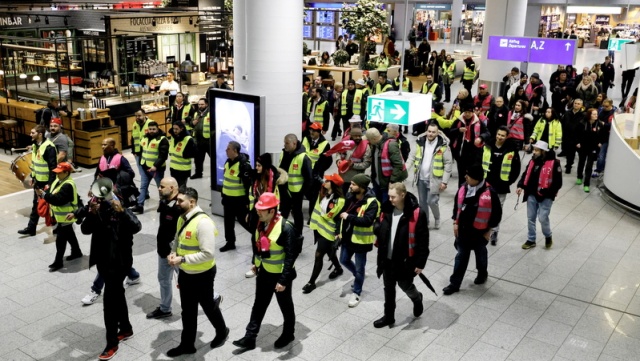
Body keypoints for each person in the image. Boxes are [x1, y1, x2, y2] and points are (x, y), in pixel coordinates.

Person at [81, 180, 142, 361]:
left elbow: (137, 226)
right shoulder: (98, 209)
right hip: (104, 262)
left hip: (120, 263)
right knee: (118, 294)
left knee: (109, 302)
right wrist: (92, 214)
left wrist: (121, 211)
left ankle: (111, 343)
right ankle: (126, 328)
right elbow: (85, 229)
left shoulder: (122, 209)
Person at [233, 192, 301, 351]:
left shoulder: (286, 228)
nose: (258, 211)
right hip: (264, 272)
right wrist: (256, 264)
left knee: (285, 305)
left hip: (280, 277)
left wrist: (283, 280)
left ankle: (289, 333)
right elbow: (257, 247)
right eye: (258, 208)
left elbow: (291, 257)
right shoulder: (260, 223)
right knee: (259, 304)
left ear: (272, 210)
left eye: (262, 209)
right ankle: (250, 337)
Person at [167, 187, 229, 357]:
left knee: (208, 306)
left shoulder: (203, 223)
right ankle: (187, 344)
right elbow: (177, 240)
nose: (177, 203)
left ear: (192, 202)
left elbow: (208, 253)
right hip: (186, 273)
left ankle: (222, 331)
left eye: (180, 201)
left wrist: (183, 259)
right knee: (187, 310)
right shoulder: (182, 218)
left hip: (203, 274)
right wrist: (174, 252)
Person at [374, 182, 429, 327]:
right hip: (387, 258)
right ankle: (389, 316)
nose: (390, 199)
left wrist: (420, 263)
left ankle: (417, 298)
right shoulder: (386, 209)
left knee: (405, 285)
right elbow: (381, 226)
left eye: (393, 197)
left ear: (403, 195)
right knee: (389, 288)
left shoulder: (416, 213)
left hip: (405, 261)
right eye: (389, 196)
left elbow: (423, 241)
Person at [443, 164, 502, 295]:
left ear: (476, 179)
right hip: (463, 231)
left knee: (480, 255)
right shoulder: (464, 188)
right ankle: (454, 284)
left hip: (480, 233)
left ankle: (482, 273)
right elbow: (456, 207)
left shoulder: (490, 192)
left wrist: (489, 230)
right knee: (461, 257)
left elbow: (496, 214)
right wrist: (455, 222)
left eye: (468, 176)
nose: (465, 177)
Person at [339, 174, 380, 307]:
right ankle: (358, 275)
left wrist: (349, 217)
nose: (350, 186)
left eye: (353, 184)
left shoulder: (372, 202)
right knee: (343, 260)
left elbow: (367, 221)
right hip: (348, 238)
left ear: (362, 187)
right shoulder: (350, 196)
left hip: (361, 241)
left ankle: (356, 292)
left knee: (360, 267)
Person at [245, 153, 286, 278]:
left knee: (266, 238)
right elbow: (252, 196)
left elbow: (280, 200)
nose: (256, 168)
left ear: (265, 166)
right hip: (257, 211)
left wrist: (275, 216)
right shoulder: (256, 178)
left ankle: (264, 264)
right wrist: (250, 211)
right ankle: (256, 265)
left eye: (259, 165)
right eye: (256, 165)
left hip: (270, 214)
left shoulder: (276, 181)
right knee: (255, 238)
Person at [303, 173, 346, 293]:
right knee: (330, 252)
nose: (324, 182)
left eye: (327, 180)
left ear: (333, 184)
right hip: (318, 228)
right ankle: (338, 268)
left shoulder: (340, 201)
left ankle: (311, 282)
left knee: (318, 255)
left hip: (328, 232)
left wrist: (338, 233)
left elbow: (330, 216)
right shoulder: (322, 194)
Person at [517, 141, 563, 250]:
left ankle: (548, 236)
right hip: (531, 193)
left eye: (537, 150)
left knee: (543, 218)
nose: (534, 152)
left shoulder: (554, 163)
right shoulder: (532, 161)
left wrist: (546, 191)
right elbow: (526, 174)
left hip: (546, 196)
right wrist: (520, 186)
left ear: (543, 151)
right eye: (534, 149)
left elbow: (558, 183)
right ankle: (531, 239)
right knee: (530, 218)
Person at [146, 177, 181, 319]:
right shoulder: (165, 202)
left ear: (172, 188)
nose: (159, 188)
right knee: (163, 279)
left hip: (176, 252)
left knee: (190, 280)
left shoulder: (180, 206)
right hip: (163, 249)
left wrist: (174, 250)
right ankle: (165, 308)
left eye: (162, 186)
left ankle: (212, 297)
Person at [37, 162, 81, 272]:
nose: (57, 174)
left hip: (67, 216)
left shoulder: (68, 185)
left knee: (60, 239)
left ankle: (58, 261)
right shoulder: (59, 180)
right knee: (69, 233)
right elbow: (52, 192)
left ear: (66, 172)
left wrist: (44, 195)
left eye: (60, 172)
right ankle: (76, 252)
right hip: (60, 216)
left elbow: (58, 200)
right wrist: (45, 191)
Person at [483, 126, 521, 245]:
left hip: (501, 185)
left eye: (502, 135)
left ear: (507, 136)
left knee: (497, 209)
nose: (499, 137)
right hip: (486, 183)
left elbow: (516, 167)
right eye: (498, 134)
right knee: (485, 207)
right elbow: (479, 161)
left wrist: (509, 181)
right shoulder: (487, 145)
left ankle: (494, 231)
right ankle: (484, 228)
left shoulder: (511, 149)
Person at [18, 125, 57, 236]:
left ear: (40, 134)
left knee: (52, 205)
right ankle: (31, 228)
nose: (30, 135)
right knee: (36, 204)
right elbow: (35, 164)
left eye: (32, 133)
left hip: (47, 183)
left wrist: (50, 184)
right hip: (38, 182)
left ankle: (57, 227)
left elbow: (53, 168)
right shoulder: (36, 146)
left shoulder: (49, 147)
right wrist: (33, 177)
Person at [414, 122, 452, 229]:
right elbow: (412, 156)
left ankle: (437, 217)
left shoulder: (443, 145)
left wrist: (444, 181)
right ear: (426, 131)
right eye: (429, 131)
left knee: (432, 201)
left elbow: (448, 164)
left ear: (437, 132)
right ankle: (425, 221)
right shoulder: (420, 142)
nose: (430, 134)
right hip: (420, 178)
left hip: (434, 179)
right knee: (422, 202)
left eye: (433, 132)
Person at [219, 141, 252, 252]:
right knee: (228, 222)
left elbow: (248, 185)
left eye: (228, 149)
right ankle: (230, 242)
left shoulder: (244, 165)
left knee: (244, 221)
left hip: (239, 200)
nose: (226, 150)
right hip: (228, 199)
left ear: (235, 151)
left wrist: (248, 201)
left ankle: (259, 235)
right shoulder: (228, 162)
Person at [278, 134, 312, 237]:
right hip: (284, 191)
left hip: (296, 193)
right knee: (282, 214)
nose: (285, 145)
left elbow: (309, 178)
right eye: (284, 143)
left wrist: (302, 192)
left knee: (297, 215)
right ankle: (280, 234)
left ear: (294, 143)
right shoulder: (283, 154)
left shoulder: (303, 157)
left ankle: (298, 236)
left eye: (287, 143)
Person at [448, 103, 490, 186]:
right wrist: (458, 130)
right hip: (461, 153)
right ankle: (461, 192)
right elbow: (450, 132)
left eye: (469, 112)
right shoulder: (459, 121)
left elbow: (487, 133)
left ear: (473, 112)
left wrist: (480, 138)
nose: (467, 114)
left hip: (474, 153)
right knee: (462, 175)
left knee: (472, 175)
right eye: (465, 112)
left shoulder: (478, 122)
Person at [132, 121, 169, 214]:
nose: (151, 131)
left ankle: (163, 204)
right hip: (145, 167)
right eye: (150, 129)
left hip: (157, 169)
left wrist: (155, 166)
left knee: (160, 188)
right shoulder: (144, 137)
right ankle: (140, 205)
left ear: (157, 128)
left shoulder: (162, 139)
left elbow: (163, 156)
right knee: (143, 186)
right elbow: (142, 150)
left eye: (153, 129)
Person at [365, 127, 408, 203]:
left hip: (387, 183)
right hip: (377, 182)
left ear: (374, 139)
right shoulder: (375, 145)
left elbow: (398, 165)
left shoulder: (391, 145)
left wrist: (392, 181)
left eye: (369, 139)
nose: (368, 141)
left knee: (386, 206)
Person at [302, 122, 331, 221]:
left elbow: (327, 161)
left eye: (314, 131)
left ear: (319, 132)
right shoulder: (306, 139)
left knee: (314, 197)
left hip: (315, 174)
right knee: (306, 193)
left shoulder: (325, 144)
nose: (311, 132)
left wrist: (318, 171)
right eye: (310, 130)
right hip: (304, 172)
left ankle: (312, 217)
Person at [576, 108, 606, 193]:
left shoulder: (599, 124)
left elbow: (603, 135)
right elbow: (577, 133)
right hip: (583, 146)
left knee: (589, 165)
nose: (596, 115)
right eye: (594, 114)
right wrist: (577, 142)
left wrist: (600, 142)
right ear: (589, 115)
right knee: (581, 162)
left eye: (596, 114)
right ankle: (579, 177)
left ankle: (586, 184)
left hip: (593, 148)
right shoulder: (582, 123)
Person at [336, 126, 372, 194]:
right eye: (356, 136)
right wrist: (338, 160)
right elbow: (338, 153)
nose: (358, 137)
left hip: (356, 178)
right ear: (351, 136)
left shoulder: (366, 147)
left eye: (359, 136)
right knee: (341, 196)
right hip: (343, 176)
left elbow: (367, 163)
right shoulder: (344, 143)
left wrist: (353, 165)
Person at [168, 121, 196, 188]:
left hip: (183, 169)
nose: (174, 131)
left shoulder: (188, 139)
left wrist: (185, 154)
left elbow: (195, 153)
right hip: (173, 168)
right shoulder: (173, 137)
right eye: (173, 128)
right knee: (174, 187)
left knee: (181, 188)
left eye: (176, 129)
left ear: (182, 129)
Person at [561, 98, 585, 174]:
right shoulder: (567, 113)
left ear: (581, 106)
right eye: (575, 103)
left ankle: (580, 171)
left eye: (578, 104)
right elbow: (563, 123)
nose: (576, 105)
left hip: (578, 137)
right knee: (569, 153)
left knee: (580, 154)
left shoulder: (583, 115)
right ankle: (568, 166)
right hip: (568, 136)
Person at [190, 98, 211, 179]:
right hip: (198, 140)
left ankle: (216, 175)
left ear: (206, 104)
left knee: (214, 160)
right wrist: (192, 122)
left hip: (208, 141)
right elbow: (192, 123)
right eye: (199, 104)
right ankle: (198, 173)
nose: (200, 106)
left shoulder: (210, 113)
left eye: (202, 104)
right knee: (198, 159)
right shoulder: (196, 113)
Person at [131, 109, 152, 176]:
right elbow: (133, 138)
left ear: (144, 115)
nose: (137, 117)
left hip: (148, 152)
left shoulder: (150, 123)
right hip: (138, 153)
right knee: (142, 174)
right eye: (136, 116)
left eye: (139, 115)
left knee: (151, 172)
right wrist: (133, 151)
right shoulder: (135, 124)